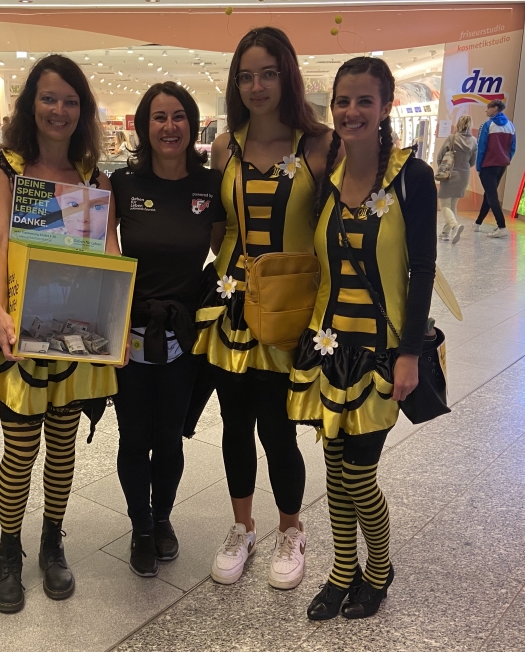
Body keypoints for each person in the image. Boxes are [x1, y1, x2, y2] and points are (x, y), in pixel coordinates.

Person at [288, 57, 436, 620]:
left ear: (386, 106)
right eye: (342, 101)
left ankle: (378, 570)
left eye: (364, 101)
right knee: (334, 470)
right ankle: (341, 570)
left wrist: (409, 355)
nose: (351, 112)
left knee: (359, 474)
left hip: (382, 352)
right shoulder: (327, 173)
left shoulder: (411, 177)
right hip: (328, 349)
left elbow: (422, 270)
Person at [192, 26, 336, 591]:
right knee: (234, 424)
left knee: (278, 428)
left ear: (287, 76)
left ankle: (291, 529)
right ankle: (242, 527)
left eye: (268, 73)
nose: (257, 86)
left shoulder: (319, 145)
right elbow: (218, 227)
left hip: (289, 311)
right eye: (246, 76)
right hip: (232, 306)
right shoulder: (226, 146)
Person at [0, 54, 119, 614]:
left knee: (62, 448)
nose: (59, 110)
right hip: (21, 330)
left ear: (82, 110)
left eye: (70, 101)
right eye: (49, 98)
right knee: (19, 451)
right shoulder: (6, 168)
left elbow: (109, 253)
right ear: (30, 104)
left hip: (74, 336)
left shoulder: (93, 179)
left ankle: (51, 541)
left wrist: (116, 324)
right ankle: (8, 550)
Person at [110, 83, 225, 577]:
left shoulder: (210, 185)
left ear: (192, 124)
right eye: (159, 117)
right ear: (144, 126)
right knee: (134, 438)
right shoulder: (122, 184)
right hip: (129, 332)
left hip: (185, 335)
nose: (169, 126)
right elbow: (105, 250)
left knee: (171, 438)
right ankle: (140, 526)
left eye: (179, 116)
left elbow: (224, 249)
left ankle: (162, 519)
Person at [473, 99, 515, 238]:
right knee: (489, 193)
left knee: (491, 195)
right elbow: (513, 148)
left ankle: (502, 226)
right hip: (502, 165)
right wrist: (506, 159)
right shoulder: (511, 126)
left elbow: (481, 147)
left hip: (488, 165)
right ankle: (478, 223)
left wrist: (478, 165)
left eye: (488, 108)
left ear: (495, 108)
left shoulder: (487, 125)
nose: (486, 110)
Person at [436, 115, 477, 243]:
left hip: (450, 174)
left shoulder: (452, 138)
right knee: (453, 205)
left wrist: (443, 168)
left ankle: (454, 226)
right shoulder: (474, 141)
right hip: (464, 175)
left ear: (458, 125)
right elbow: (473, 161)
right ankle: (445, 233)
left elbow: (440, 156)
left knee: (444, 205)